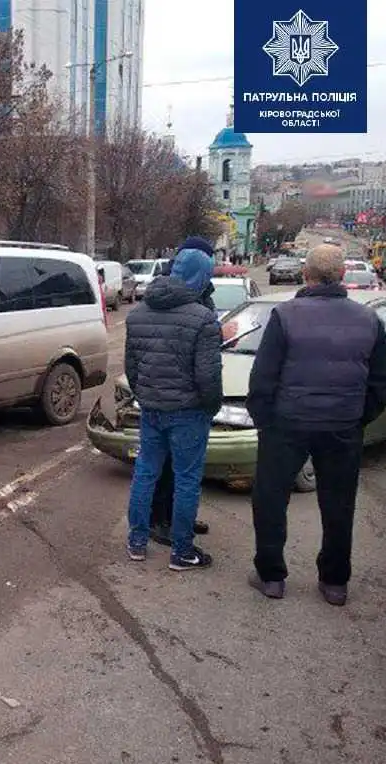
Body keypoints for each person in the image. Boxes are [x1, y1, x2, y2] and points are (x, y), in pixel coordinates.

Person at [246, 244, 386, 605]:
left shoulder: (285, 316)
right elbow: (382, 383)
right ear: (342, 275)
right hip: (341, 427)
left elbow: (262, 379)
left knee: (270, 499)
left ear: (305, 274)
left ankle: (271, 577)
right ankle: (334, 583)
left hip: (287, 424)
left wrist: (266, 422)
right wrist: (357, 418)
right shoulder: (367, 319)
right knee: (339, 505)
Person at [125, 245, 223, 568]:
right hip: (188, 413)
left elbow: (132, 367)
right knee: (186, 479)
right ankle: (182, 551)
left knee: (145, 473)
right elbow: (208, 378)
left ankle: (137, 541)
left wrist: (145, 395)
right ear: (201, 276)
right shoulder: (203, 318)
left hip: (151, 410)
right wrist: (210, 408)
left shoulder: (137, 313)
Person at [149, 236, 216, 547]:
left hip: (180, 394)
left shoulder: (203, 294)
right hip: (177, 397)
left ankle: (179, 518)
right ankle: (160, 521)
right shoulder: (172, 296)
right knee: (166, 469)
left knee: (179, 469)